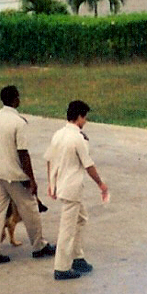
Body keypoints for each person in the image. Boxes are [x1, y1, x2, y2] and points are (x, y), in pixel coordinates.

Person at [0, 85, 55, 267]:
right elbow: (23, 153)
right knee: (30, 207)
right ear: (15, 99)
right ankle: (39, 246)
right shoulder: (19, 122)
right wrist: (30, 178)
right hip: (14, 174)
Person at [44, 99, 109, 280]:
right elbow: (89, 165)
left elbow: (49, 160)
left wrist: (51, 183)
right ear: (79, 117)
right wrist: (101, 184)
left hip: (62, 185)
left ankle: (77, 256)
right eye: (84, 117)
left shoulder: (58, 134)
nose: (85, 121)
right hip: (72, 188)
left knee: (81, 219)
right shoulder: (77, 138)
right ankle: (62, 267)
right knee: (67, 228)